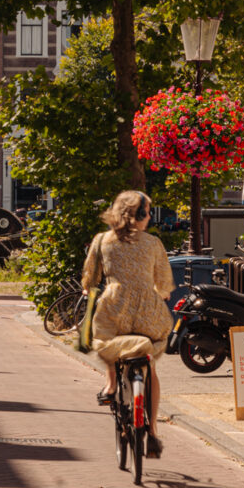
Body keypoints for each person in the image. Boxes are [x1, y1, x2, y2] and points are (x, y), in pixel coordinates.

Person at [82, 190, 173, 457]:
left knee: (105, 340)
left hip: (115, 309)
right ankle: (153, 432)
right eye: (147, 213)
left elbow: (90, 278)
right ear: (140, 215)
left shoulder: (102, 241)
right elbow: (164, 283)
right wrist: (160, 292)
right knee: (151, 367)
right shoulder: (153, 243)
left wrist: (89, 289)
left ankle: (111, 384)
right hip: (148, 314)